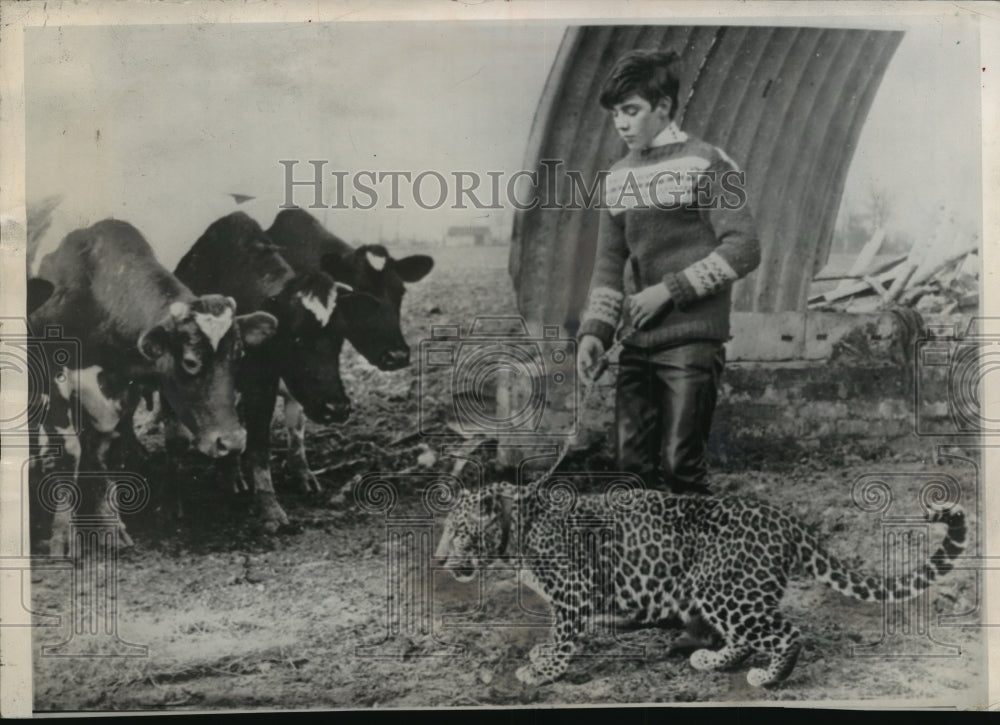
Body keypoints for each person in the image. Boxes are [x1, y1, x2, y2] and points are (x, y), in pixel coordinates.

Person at [577, 49, 761, 496]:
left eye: (632, 110)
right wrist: (595, 332)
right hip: (637, 345)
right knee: (629, 467)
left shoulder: (709, 162)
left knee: (681, 466)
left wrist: (668, 291)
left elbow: (744, 248)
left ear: (663, 107)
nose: (621, 123)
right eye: (615, 113)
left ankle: (696, 561)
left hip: (691, 341)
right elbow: (608, 263)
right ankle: (646, 564)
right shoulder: (617, 177)